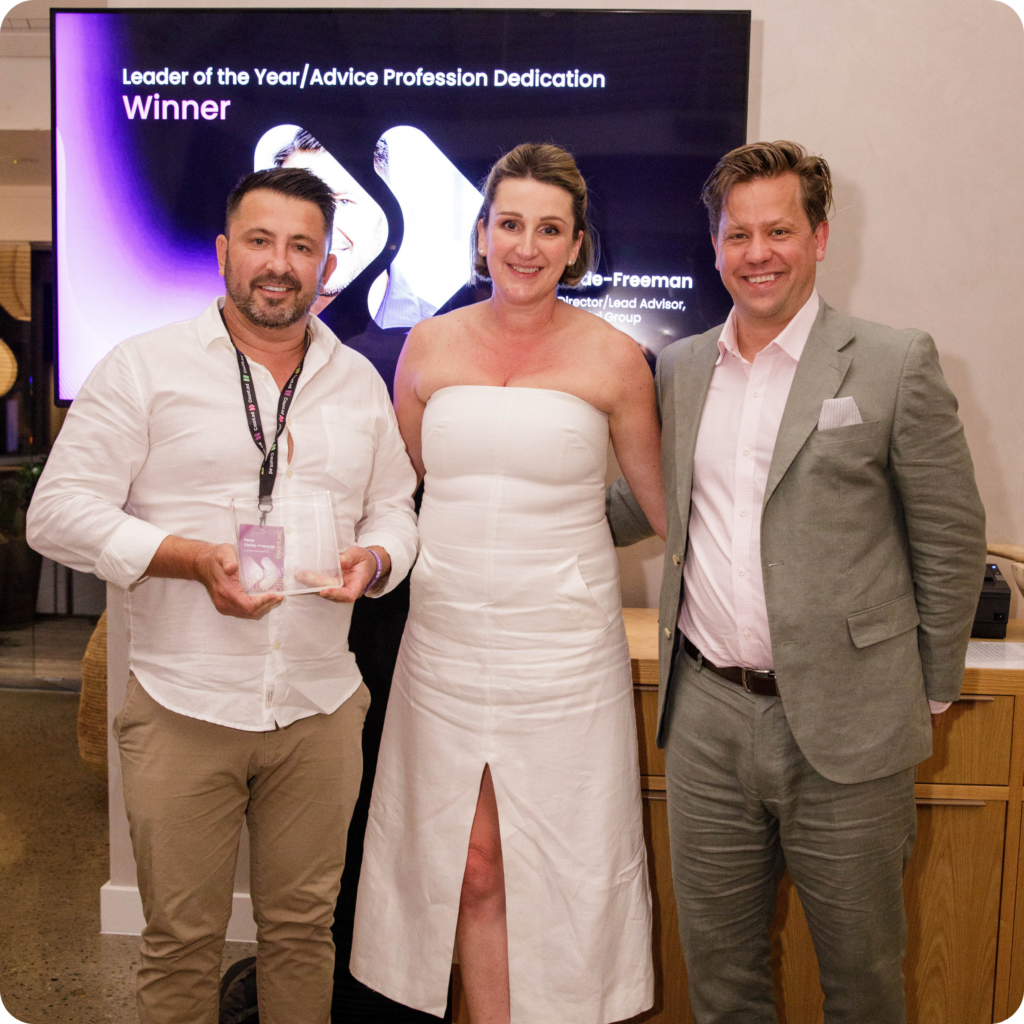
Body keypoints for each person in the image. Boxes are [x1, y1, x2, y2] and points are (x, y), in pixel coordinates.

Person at [26, 166, 418, 1024]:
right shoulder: (143, 368)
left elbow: (395, 506)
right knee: (180, 942)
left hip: (320, 709)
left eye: (302, 247)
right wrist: (191, 559)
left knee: (305, 933)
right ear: (223, 252)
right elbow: (55, 515)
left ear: (327, 266)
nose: (279, 263)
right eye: (259, 241)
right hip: (183, 705)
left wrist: (378, 557)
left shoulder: (358, 381)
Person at [607, 140, 986, 1023]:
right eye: (738, 235)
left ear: (819, 238)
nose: (758, 253)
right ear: (715, 247)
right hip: (706, 720)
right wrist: (501, 499)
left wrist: (929, 688)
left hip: (853, 723)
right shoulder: (682, 367)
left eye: (778, 231)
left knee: (863, 983)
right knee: (722, 983)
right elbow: (639, 501)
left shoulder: (894, 360)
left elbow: (950, 534)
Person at [350, 143, 666, 1024]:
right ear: (482, 232)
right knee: (471, 862)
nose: (527, 246)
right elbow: (396, 493)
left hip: (563, 651)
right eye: (511, 224)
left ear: (576, 246)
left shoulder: (617, 359)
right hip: (445, 642)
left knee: (560, 867)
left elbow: (667, 511)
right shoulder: (427, 344)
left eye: (550, 229)